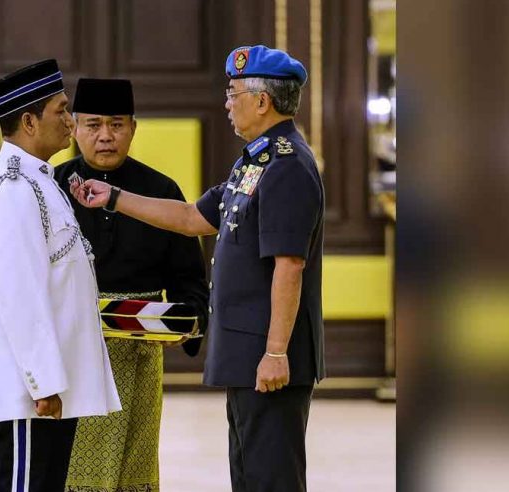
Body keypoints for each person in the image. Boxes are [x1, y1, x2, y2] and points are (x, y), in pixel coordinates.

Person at [70, 46, 325, 492]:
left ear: (262, 101)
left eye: (233, 93)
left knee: (272, 478)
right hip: (248, 354)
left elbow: (290, 265)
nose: (227, 104)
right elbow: (192, 218)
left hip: (268, 355)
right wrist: (111, 197)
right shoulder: (255, 161)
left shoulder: (286, 166)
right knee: (249, 474)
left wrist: (277, 352)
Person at [0, 59, 121, 492]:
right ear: (30, 121)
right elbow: (20, 295)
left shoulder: (39, 181)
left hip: (45, 394)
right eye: (61, 111)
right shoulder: (15, 189)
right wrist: (44, 383)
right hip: (26, 395)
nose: (71, 123)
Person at [54, 78, 209, 492]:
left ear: (134, 128)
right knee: (73, 469)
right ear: (73, 127)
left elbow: (189, 278)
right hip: (69, 355)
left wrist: (186, 323)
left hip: (139, 352)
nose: (106, 135)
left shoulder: (161, 192)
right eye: (93, 124)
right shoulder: (50, 187)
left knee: (134, 464)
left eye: (117, 124)